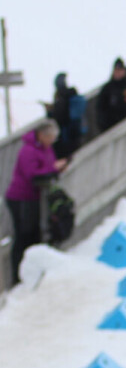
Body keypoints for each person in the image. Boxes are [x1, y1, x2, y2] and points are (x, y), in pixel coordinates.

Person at [3, 118, 68, 284]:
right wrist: (53, 168)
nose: (52, 141)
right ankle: (16, 277)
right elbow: (32, 174)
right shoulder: (28, 150)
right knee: (22, 235)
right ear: (41, 135)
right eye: (50, 137)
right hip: (21, 198)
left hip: (34, 198)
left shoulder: (46, 149)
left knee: (33, 234)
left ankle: (30, 273)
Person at [44, 73, 87, 159]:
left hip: (65, 138)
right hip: (75, 137)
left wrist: (50, 112)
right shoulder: (71, 95)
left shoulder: (62, 98)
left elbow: (59, 118)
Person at [95, 58, 126, 132]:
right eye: (116, 70)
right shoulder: (107, 89)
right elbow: (101, 108)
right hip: (113, 127)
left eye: (120, 70)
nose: (118, 73)